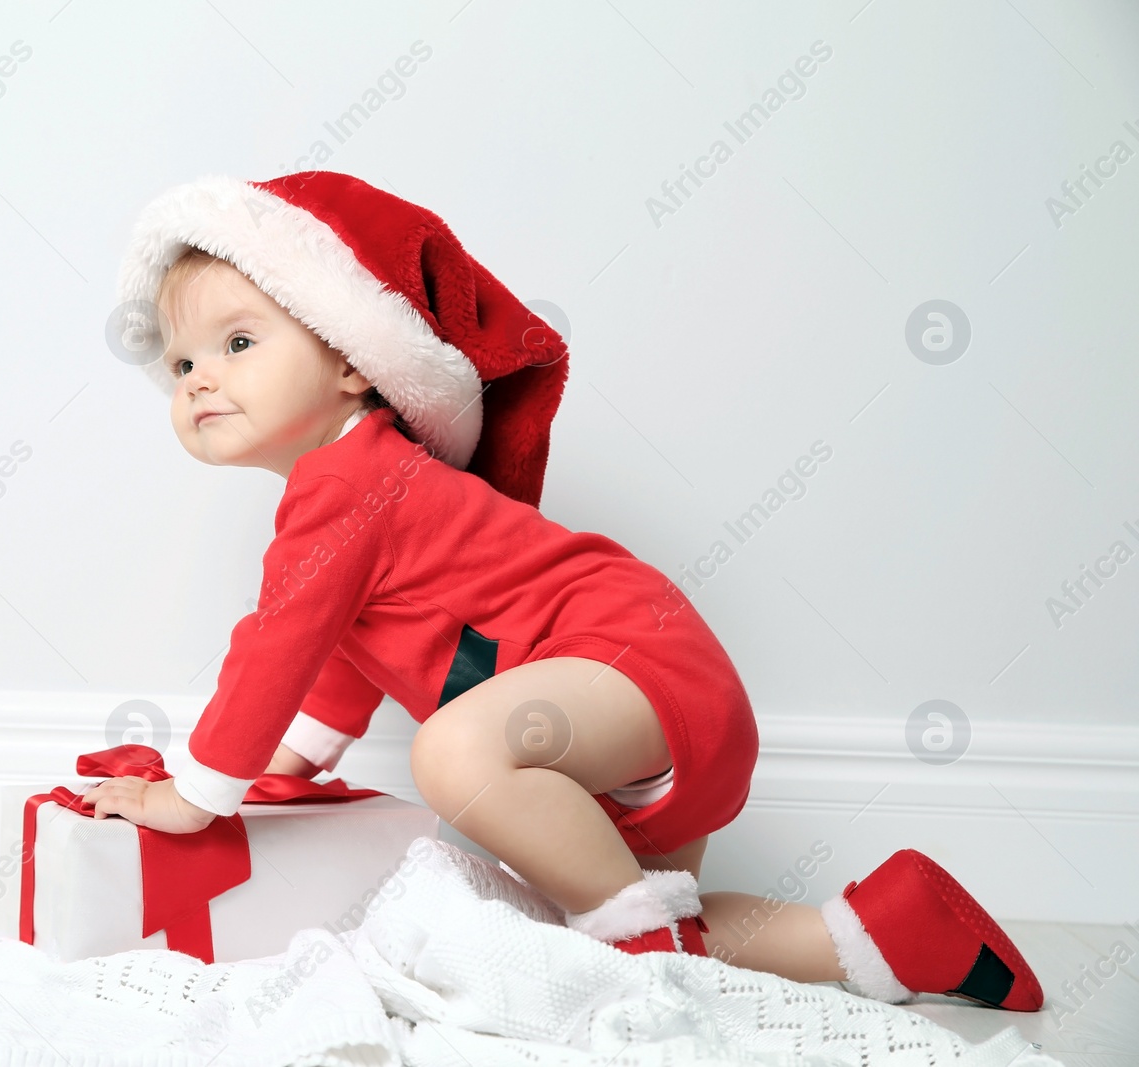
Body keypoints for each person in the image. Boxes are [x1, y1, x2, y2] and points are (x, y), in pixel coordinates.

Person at [81, 171, 1043, 1013]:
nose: (200, 379)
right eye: (180, 364)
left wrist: (196, 796)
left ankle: (640, 958)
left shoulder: (346, 487)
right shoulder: (356, 493)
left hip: (631, 668)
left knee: (456, 755)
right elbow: (340, 660)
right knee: (622, 913)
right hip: (631, 718)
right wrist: (285, 772)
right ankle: (886, 936)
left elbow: (275, 645)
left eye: (238, 342)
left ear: (347, 357)